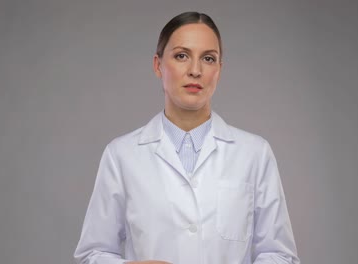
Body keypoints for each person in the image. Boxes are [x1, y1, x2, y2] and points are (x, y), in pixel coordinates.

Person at [74, 11, 300, 264]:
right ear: (158, 65)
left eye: (208, 58)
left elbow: (279, 255)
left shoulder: (255, 154)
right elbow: (93, 254)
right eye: (182, 56)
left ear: (219, 70)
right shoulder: (121, 155)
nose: (195, 70)